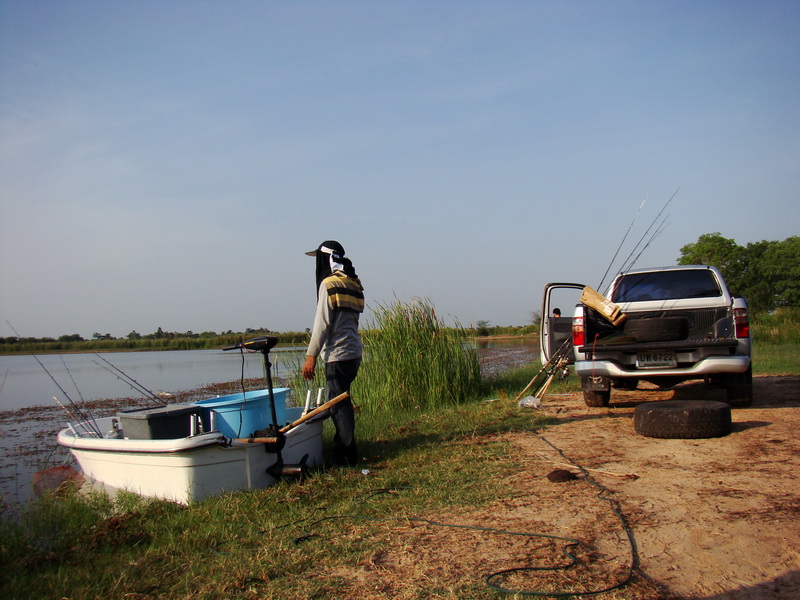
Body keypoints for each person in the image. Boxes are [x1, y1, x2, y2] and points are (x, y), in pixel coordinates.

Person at [302, 240, 364, 466]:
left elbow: (322, 324)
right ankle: (342, 446)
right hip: (354, 352)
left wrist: (311, 356)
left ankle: (347, 454)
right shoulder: (354, 282)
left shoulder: (328, 284)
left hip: (337, 353)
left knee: (338, 404)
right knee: (342, 399)